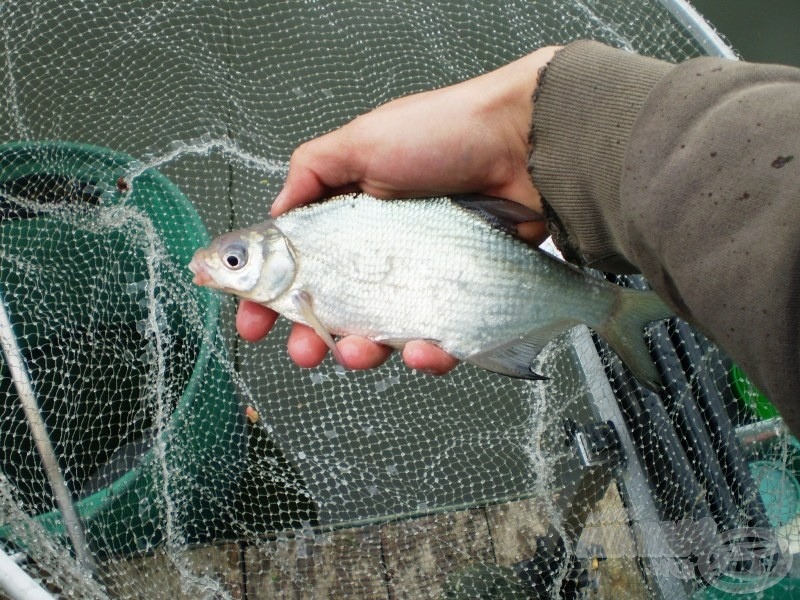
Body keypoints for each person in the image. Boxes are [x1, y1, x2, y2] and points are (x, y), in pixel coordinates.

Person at [236, 40, 800, 434]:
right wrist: (517, 126)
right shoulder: (309, 238)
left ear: (273, 251)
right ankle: (614, 307)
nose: (225, 268)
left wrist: (518, 127)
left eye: (235, 260)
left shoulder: (306, 240)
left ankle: (615, 308)